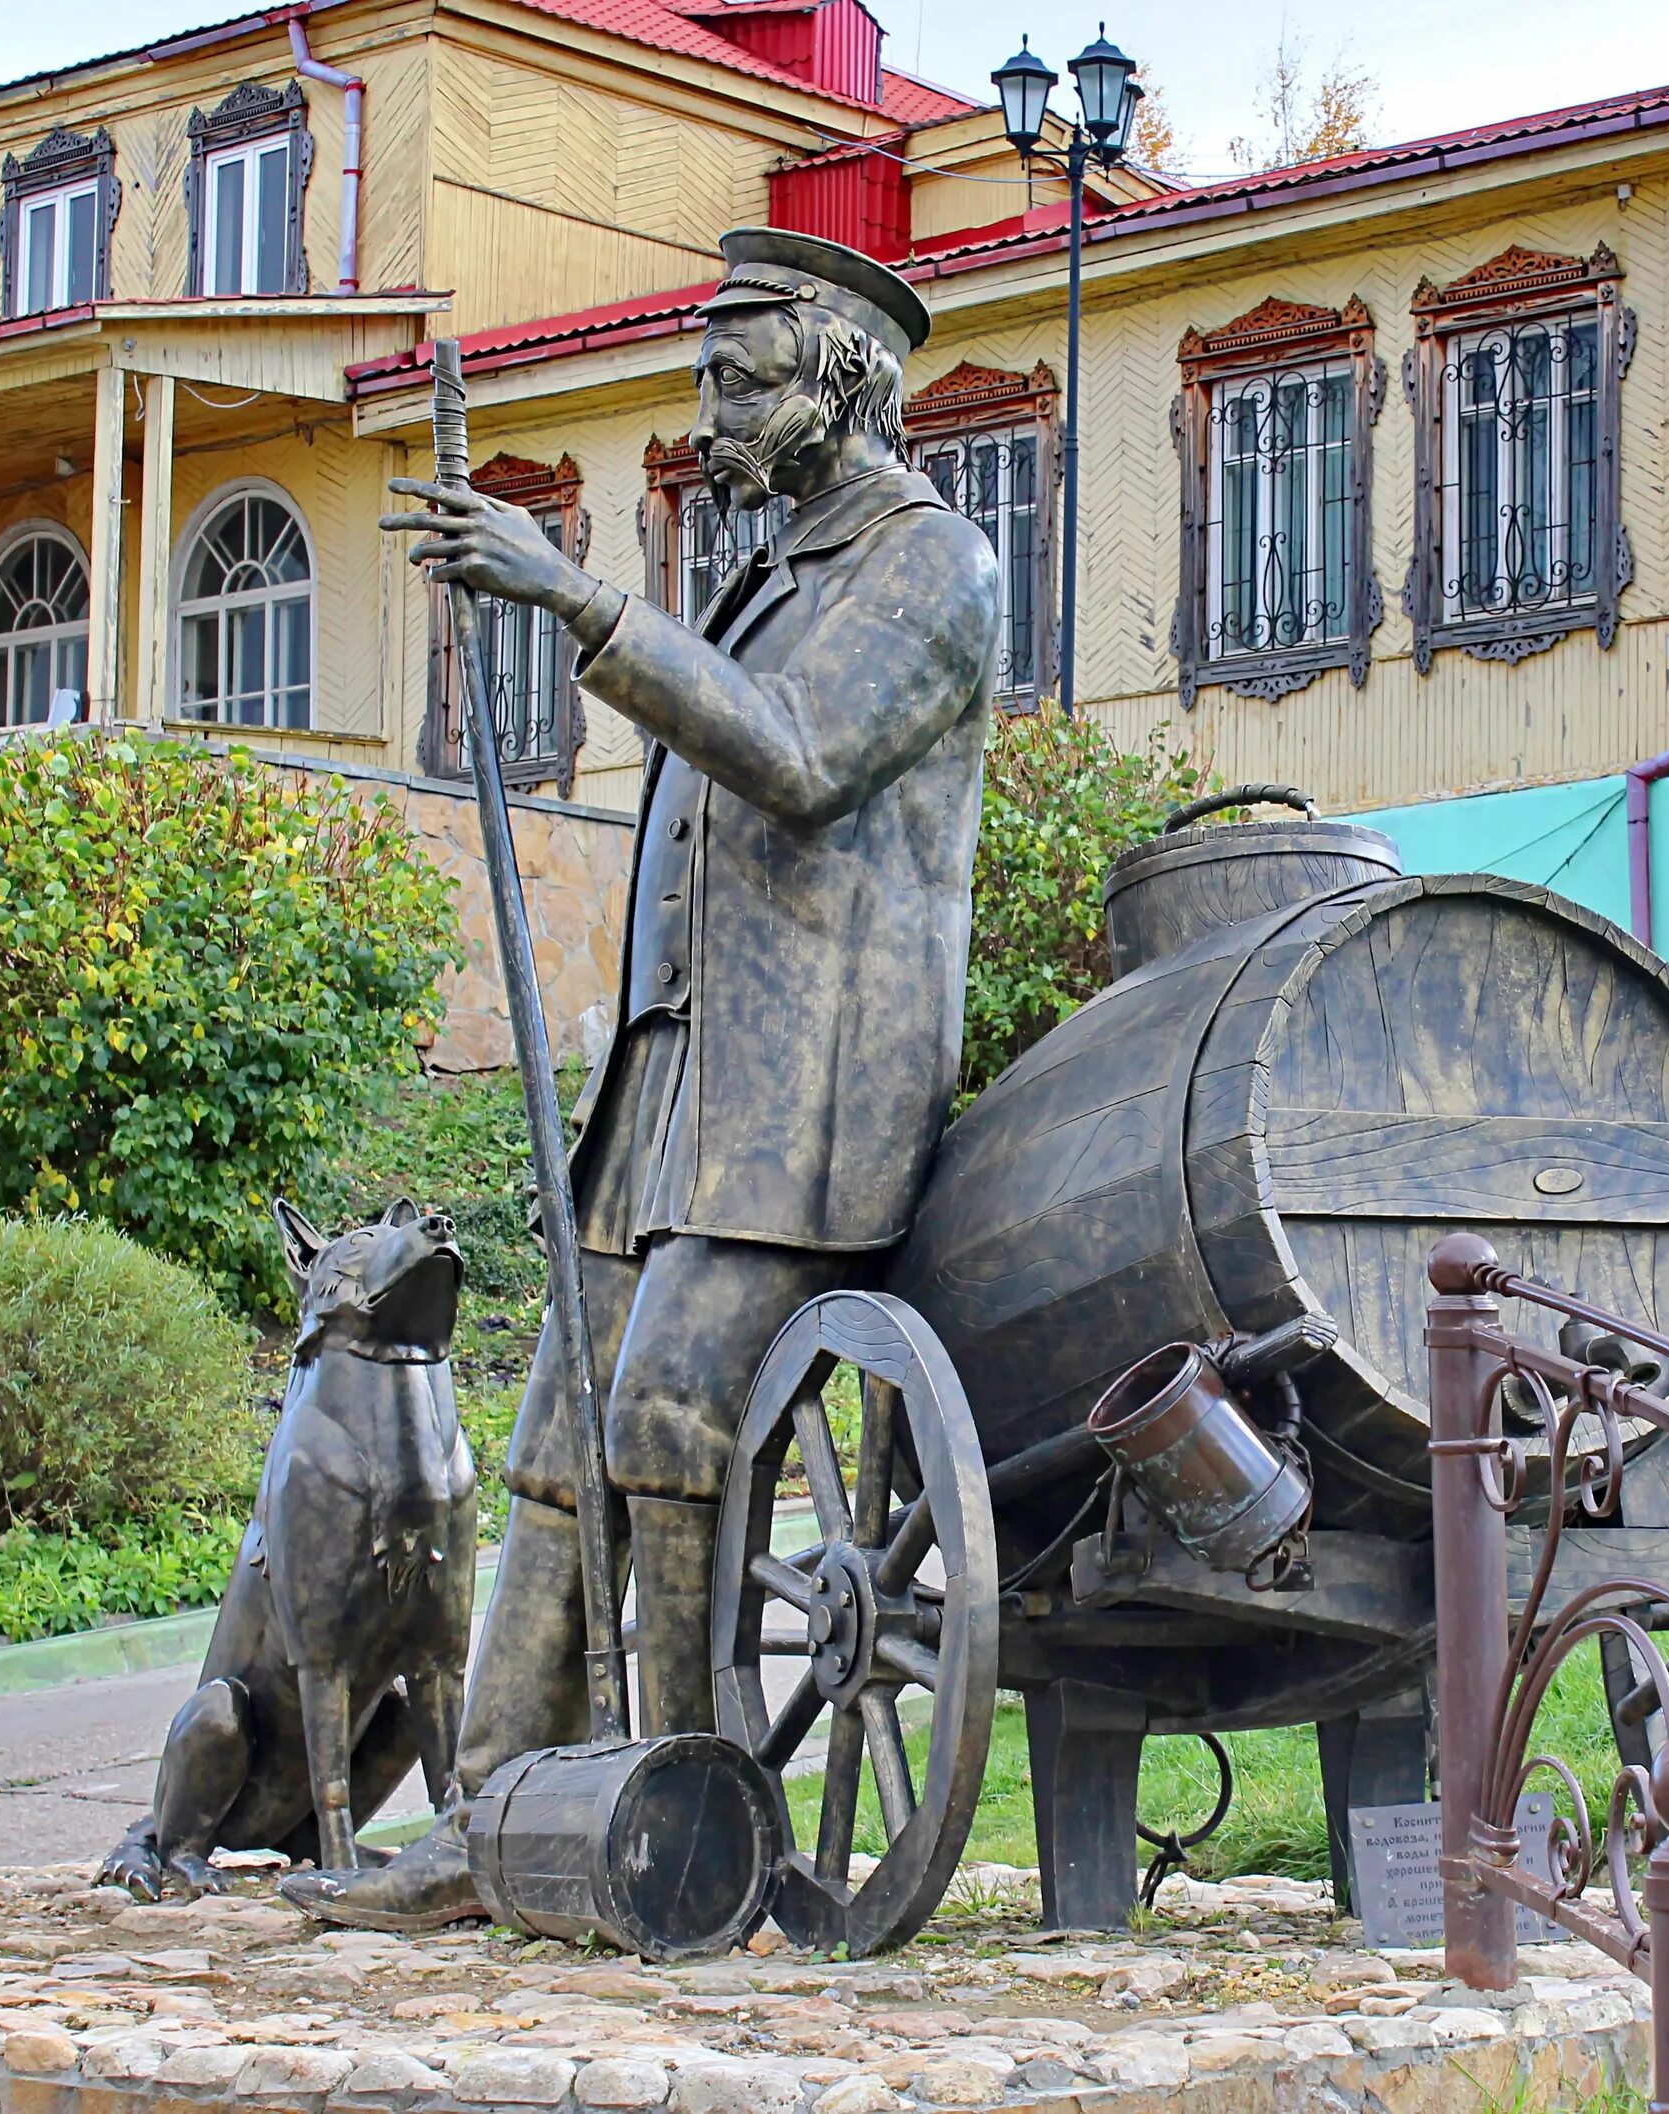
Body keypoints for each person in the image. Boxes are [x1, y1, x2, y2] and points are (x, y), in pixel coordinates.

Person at [286, 229, 999, 1929]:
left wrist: (579, 598)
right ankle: (494, 1817)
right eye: (704, 376)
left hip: (813, 1099)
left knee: (673, 1410)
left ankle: (692, 1829)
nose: (709, 412)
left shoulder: (936, 563)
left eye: (739, 380)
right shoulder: (778, 567)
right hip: (680, 1085)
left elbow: (802, 755)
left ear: (841, 380)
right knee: (558, 1440)